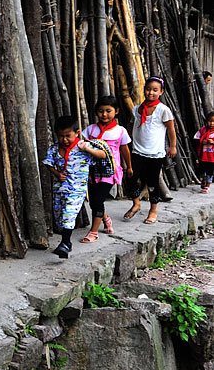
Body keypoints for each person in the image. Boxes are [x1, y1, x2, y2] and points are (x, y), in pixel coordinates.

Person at [42, 116, 108, 259]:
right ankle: (66, 243)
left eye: (68, 136)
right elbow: (48, 162)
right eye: (61, 136)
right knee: (59, 215)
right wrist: (57, 174)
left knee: (69, 214)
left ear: (77, 133)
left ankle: (65, 244)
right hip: (60, 188)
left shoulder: (83, 147)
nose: (64, 140)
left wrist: (88, 149)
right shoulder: (54, 149)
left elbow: (102, 155)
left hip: (76, 189)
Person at [123, 76, 177, 224]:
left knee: (152, 183)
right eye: (148, 89)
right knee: (131, 178)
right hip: (137, 151)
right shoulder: (137, 109)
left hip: (155, 154)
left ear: (161, 92)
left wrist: (172, 146)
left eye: (155, 90)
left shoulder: (163, 110)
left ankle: (153, 210)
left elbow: (171, 130)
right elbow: (132, 127)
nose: (150, 92)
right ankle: (136, 203)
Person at [80, 96, 132, 243]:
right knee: (93, 202)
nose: (104, 114)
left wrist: (129, 166)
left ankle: (94, 231)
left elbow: (125, 150)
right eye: (101, 111)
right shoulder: (91, 130)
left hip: (109, 171)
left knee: (98, 199)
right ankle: (106, 218)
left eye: (108, 111)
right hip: (92, 171)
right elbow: (80, 144)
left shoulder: (120, 131)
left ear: (116, 111)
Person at [194, 110, 214, 194]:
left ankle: (207, 186)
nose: (212, 123)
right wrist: (202, 141)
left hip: (212, 157)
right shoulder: (202, 130)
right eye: (210, 121)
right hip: (203, 155)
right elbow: (196, 138)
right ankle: (203, 180)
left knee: (210, 171)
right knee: (201, 170)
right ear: (206, 121)